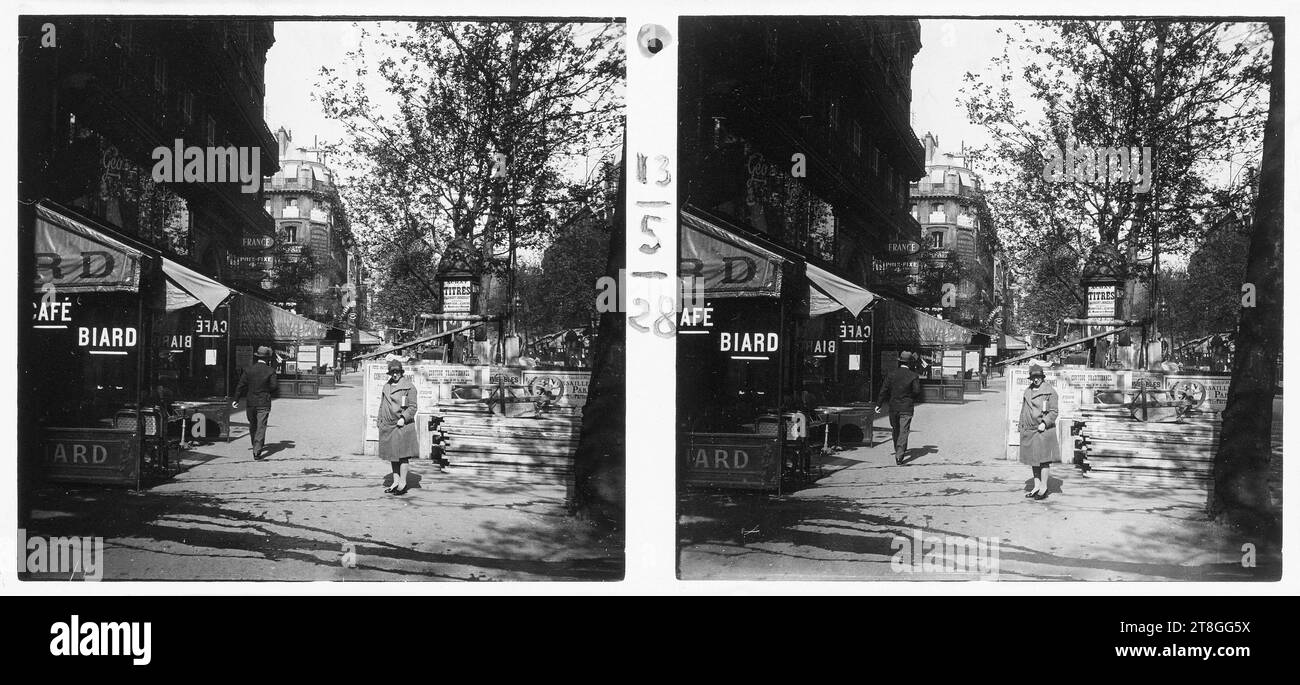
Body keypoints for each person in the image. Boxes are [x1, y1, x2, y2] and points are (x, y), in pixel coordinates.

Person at [377, 359, 420, 495]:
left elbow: (413, 407)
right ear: (390, 373)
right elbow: (382, 404)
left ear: (401, 372)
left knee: (403, 455)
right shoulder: (386, 386)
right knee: (392, 455)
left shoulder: (409, 387)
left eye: (397, 372)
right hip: (388, 426)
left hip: (402, 426)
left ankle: (403, 483)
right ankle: (395, 482)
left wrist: (403, 417)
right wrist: (379, 420)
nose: (395, 374)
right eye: (392, 372)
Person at [1020, 363, 1060, 500]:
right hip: (1030, 430)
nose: (1036, 379)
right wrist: (1021, 425)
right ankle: (1036, 486)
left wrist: (1045, 422)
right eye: (1033, 377)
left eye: (1038, 377)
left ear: (1042, 377)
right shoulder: (1028, 391)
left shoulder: (1050, 391)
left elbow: (1054, 411)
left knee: (1043, 460)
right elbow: (1024, 409)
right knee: (1033, 459)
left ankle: (1044, 487)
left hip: (1043, 431)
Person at [232, 346, 278, 460]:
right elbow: (274, 387)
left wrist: (236, 399)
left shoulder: (248, 370)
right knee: (261, 426)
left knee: (253, 425)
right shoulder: (270, 371)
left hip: (250, 402)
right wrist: (265, 390)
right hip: (264, 402)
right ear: (267, 359)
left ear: (257, 356)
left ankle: (255, 445)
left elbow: (240, 385)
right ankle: (257, 450)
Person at [875, 351, 921, 465]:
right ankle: (899, 455)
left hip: (893, 407)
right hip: (906, 407)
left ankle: (898, 450)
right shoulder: (913, 375)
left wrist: (878, 404)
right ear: (910, 363)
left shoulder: (891, 374)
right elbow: (917, 391)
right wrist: (908, 397)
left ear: (899, 361)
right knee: (904, 430)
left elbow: (884, 390)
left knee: (895, 429)